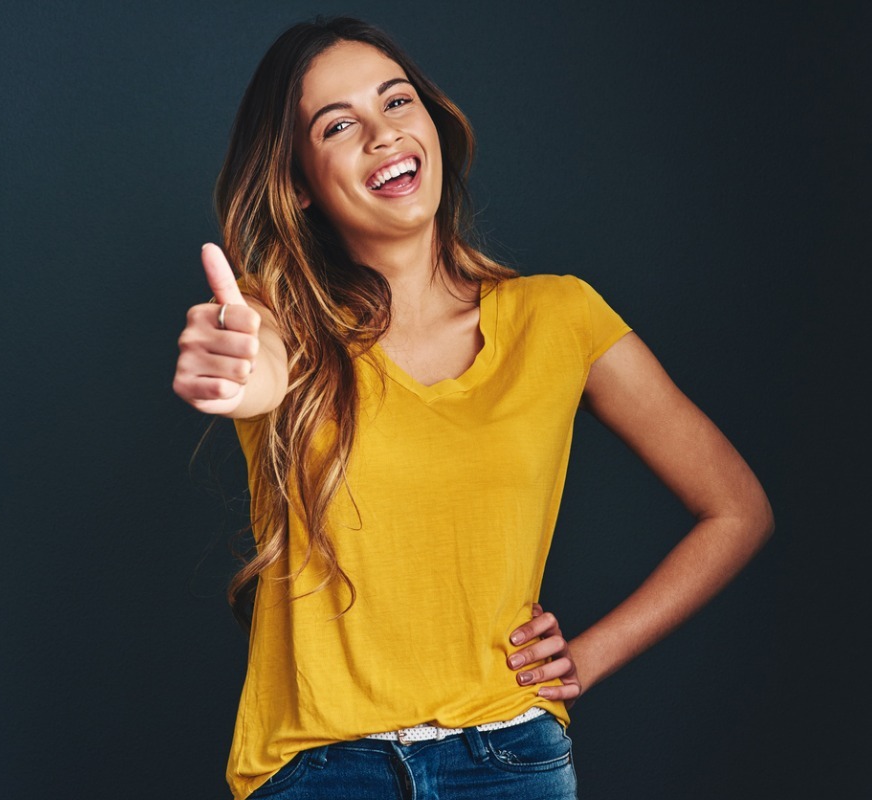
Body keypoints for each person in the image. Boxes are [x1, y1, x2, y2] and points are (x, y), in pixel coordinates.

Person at [172, 16, 773, 800]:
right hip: (319, 771)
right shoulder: (275, 323)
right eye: (339, 124)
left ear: (432, 124)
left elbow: (737, 509)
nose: (383, 135)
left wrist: (586, 657)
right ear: (298, 184)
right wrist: (237, 379)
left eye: (396, 102)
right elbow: (257, 372)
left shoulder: (560, 317)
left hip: (508, 765)